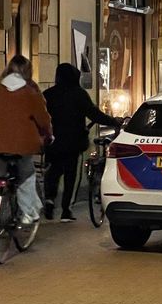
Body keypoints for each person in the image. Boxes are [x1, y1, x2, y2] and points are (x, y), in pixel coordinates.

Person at [43, 63, 122, 221]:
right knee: (71, 175)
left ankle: (49, 200)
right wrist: (113, 121)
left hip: (53, 141)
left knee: (53, 171)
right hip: (74, 141)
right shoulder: (79, 94)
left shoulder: (48, 94)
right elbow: (94, 114)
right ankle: (66, 209)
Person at [0, 55, 53, 225]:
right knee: (26, 176)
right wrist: (48, 135)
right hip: (23, 146)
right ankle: (28, 213)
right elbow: (43, 119)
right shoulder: (31, 92)